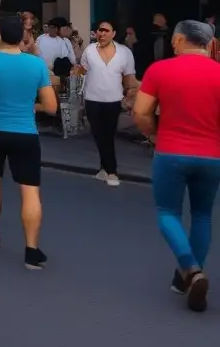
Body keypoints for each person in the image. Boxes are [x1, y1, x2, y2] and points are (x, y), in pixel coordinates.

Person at [132, 20, 220, 313]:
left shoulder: (160, 69)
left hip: (171, 152)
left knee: (167, 212)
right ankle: (187, 279)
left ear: (181, 40)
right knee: (203, 216)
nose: (171, 43)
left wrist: (154, 134)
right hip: (212, 156)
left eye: (173, 39)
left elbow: (141, 112)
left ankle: (191, 270)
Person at [0, 16, 57, 270]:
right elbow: (51, 106)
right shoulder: (36, 65)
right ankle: (31, 249)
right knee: (30, 190)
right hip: (25, 133)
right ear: (23, 38)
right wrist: (30, 104)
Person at [75, 20, 137, 187]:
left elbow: (129, 78)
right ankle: (106, 169)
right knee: (98, 135)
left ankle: (111, 171)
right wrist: (76, 69)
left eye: (105, 31)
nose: (101, 34)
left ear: (113, 33)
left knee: (107, 135)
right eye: (98, 31)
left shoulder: (124, 53)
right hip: (92, 99)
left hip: (113, 100)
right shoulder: (89, 50)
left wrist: (129, 97)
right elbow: (84, 69)